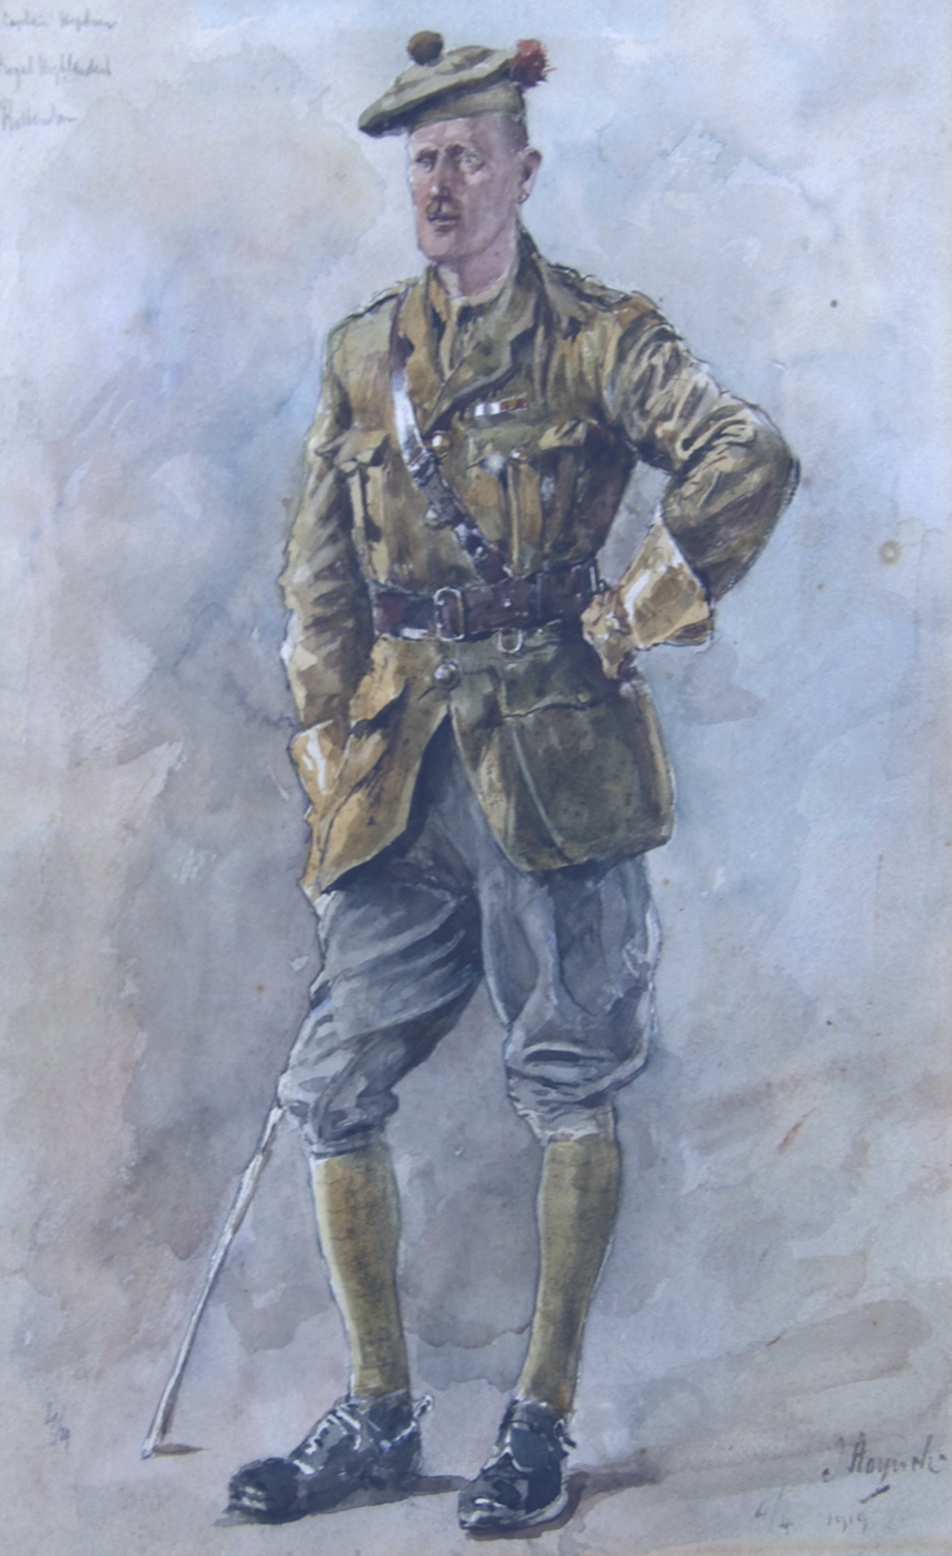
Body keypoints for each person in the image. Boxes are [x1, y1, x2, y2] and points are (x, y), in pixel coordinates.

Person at [227, 32, 798, 1535]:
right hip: (402, 770)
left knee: (566, 1079)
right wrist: (321, 732)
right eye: (423, 161)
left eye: (468, 157)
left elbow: (746, 455)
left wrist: (641, 606)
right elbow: (319, 573)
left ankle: (538, 1421)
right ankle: (377, 1411)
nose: (442, 184)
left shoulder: (600, 338)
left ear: (522, 173)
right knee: (333, 1086)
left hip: (556, 762)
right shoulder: (365, 356)